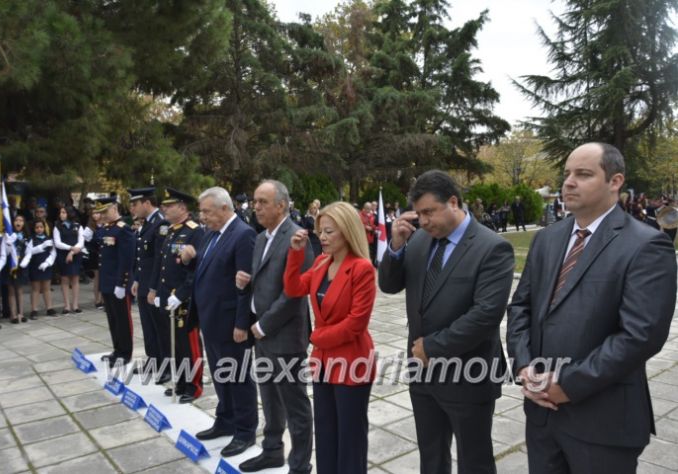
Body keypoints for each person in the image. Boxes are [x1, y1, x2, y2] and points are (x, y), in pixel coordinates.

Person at [506, 143, 677, 474]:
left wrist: (567, 384)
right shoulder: (547, 239)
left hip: (604, 423)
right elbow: (520, 307)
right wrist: (524, 366)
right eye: (567, 173)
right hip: (542, 418)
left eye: (583, 174)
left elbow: (640, 335)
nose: (568, 182)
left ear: (615, 181)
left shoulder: (646, 245)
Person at [378, 170, 515, 474]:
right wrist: (396, 247)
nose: (423, 221)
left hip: (468, 374)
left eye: (429, 212)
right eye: (419, 214)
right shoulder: (418, 241)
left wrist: (432, 347)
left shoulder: (492, 247)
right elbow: (388, 285)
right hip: (422, 374)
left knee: (474, 460)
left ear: (453, 202)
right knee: (431, 456)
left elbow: (486, 315)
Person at [284, 201, 376, 474]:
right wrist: (295, 254)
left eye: (328, 232)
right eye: (320, 231)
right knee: (325, 430)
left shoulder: (361, 269)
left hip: (352, 362)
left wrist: (316, 337)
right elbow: (293, 288)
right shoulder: (323, 262)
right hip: (323, 362)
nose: (321, 237)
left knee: (350, 436)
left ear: (347, 232)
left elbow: (356, 324)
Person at [236, 180, 314, 474]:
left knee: (295, 405)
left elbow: (295, 293)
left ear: (281, 205)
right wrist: (245, 283)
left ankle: (300, 464)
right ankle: (272, 452)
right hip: (261, 333)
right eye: (255, 201)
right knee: (268, 398)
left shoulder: (297, 237)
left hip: (284, 335)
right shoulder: (261, 238)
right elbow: (265, 282)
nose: (255, 206)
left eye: (262, 202)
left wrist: (264, 325)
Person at [183, 187, 257, 458]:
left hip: (230, 324)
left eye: (206, 211)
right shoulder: (210, 234)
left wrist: (241, 324)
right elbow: (207, 269)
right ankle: (225, 421)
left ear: (225, 209)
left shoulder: (243, 235)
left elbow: (245, 284)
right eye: (201, 211)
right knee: (221, 375)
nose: (202, 217)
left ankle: (245, 431)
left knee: (238, 377)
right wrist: (191, 260)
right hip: (210, 319)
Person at [147, 187, 206, 401]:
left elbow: (196, 268)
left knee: (189, 344)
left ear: (182, 207)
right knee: (175, 344)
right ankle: (181, 382)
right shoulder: (171, 230)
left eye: (169, 205)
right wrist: (157, 290)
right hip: (168, 296)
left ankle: (194, 386)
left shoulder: (195, 231)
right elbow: (163, 264)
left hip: (185, 300)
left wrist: (181, 294)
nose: (164, 208)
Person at [128, 187, 170, 381]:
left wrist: (154, 288)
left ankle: (166, 367)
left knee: (160, 329)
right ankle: (152, 361)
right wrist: (136, 278)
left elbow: (159, 260)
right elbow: (142, 257)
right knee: (148, 327)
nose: (132, 208)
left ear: (146, 203)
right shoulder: (147, 224)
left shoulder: (161, 223)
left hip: (154, 287)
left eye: (135, 204)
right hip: (144, 285)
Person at [95, 196, 136, 368]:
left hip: (118, 283)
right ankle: (117, 349)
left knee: (122, 320)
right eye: (100, 212)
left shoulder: (123, 230)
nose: (102, 215)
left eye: (105, 211)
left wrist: (122, 283)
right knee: (112, 319)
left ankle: (125, 353)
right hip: (106, 282)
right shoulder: (105, 229)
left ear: (114, 208)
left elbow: (126, 260)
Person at [20, 218, 56, 319]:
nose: (39, 229)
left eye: (41, 227)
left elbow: (53, 253)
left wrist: (47, 262)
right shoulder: (31, 239)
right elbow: (28, 252)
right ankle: (34, 309)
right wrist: (41, 246)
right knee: (35, 288)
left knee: (46, 288)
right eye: (37, 227)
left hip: (46, 265)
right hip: (35, 265)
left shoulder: (49, 239)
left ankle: (49, 308)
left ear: (44, 228)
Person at [53, 206, 84, 314]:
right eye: (61, 212)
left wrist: (72, 252)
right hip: (63, 254)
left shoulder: (77, 226)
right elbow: (57, 243)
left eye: (64, 212)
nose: (61, 214)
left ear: (69, 213)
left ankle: (75, 305)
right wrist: (70, 248)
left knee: (75, 279)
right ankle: (66, 305)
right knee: (65, 279)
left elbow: (81, 241)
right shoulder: (57, 226)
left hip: (75, 254)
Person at [6, 215, 30, 323]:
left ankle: (21, 313)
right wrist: (10, 242)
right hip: (11, 265)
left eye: (21, 220)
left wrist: (24, 263)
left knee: (20, 290)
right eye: (16, 220)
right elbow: (5, 251)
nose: (18, 222)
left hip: (22, 265)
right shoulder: (9, 235)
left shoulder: (26, 236)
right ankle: (13, 314)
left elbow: (29, 250)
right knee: (11, 291)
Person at [83, 209, 104, 309]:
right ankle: (97, 300)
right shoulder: (89, 228)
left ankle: (104, 299)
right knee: (97, 278)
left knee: (104, 277)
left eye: (97, 212)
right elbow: (86, 242)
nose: (96, 215)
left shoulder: (104, 225)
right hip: (95, 254)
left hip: (104, 254)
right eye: (94, 213)